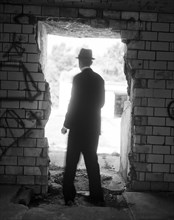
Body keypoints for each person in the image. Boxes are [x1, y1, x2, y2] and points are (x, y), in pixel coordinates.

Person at [61, 48, 105, 206]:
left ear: (80, 62)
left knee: (71, 162)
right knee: (92, 162)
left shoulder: (78, 79)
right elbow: (101, 103)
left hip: (78, 128)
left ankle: (69, 197)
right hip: (93, 129)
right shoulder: (100, 79)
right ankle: (97, 197)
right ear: (90, 61)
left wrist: (66, 124)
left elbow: (73, 103)